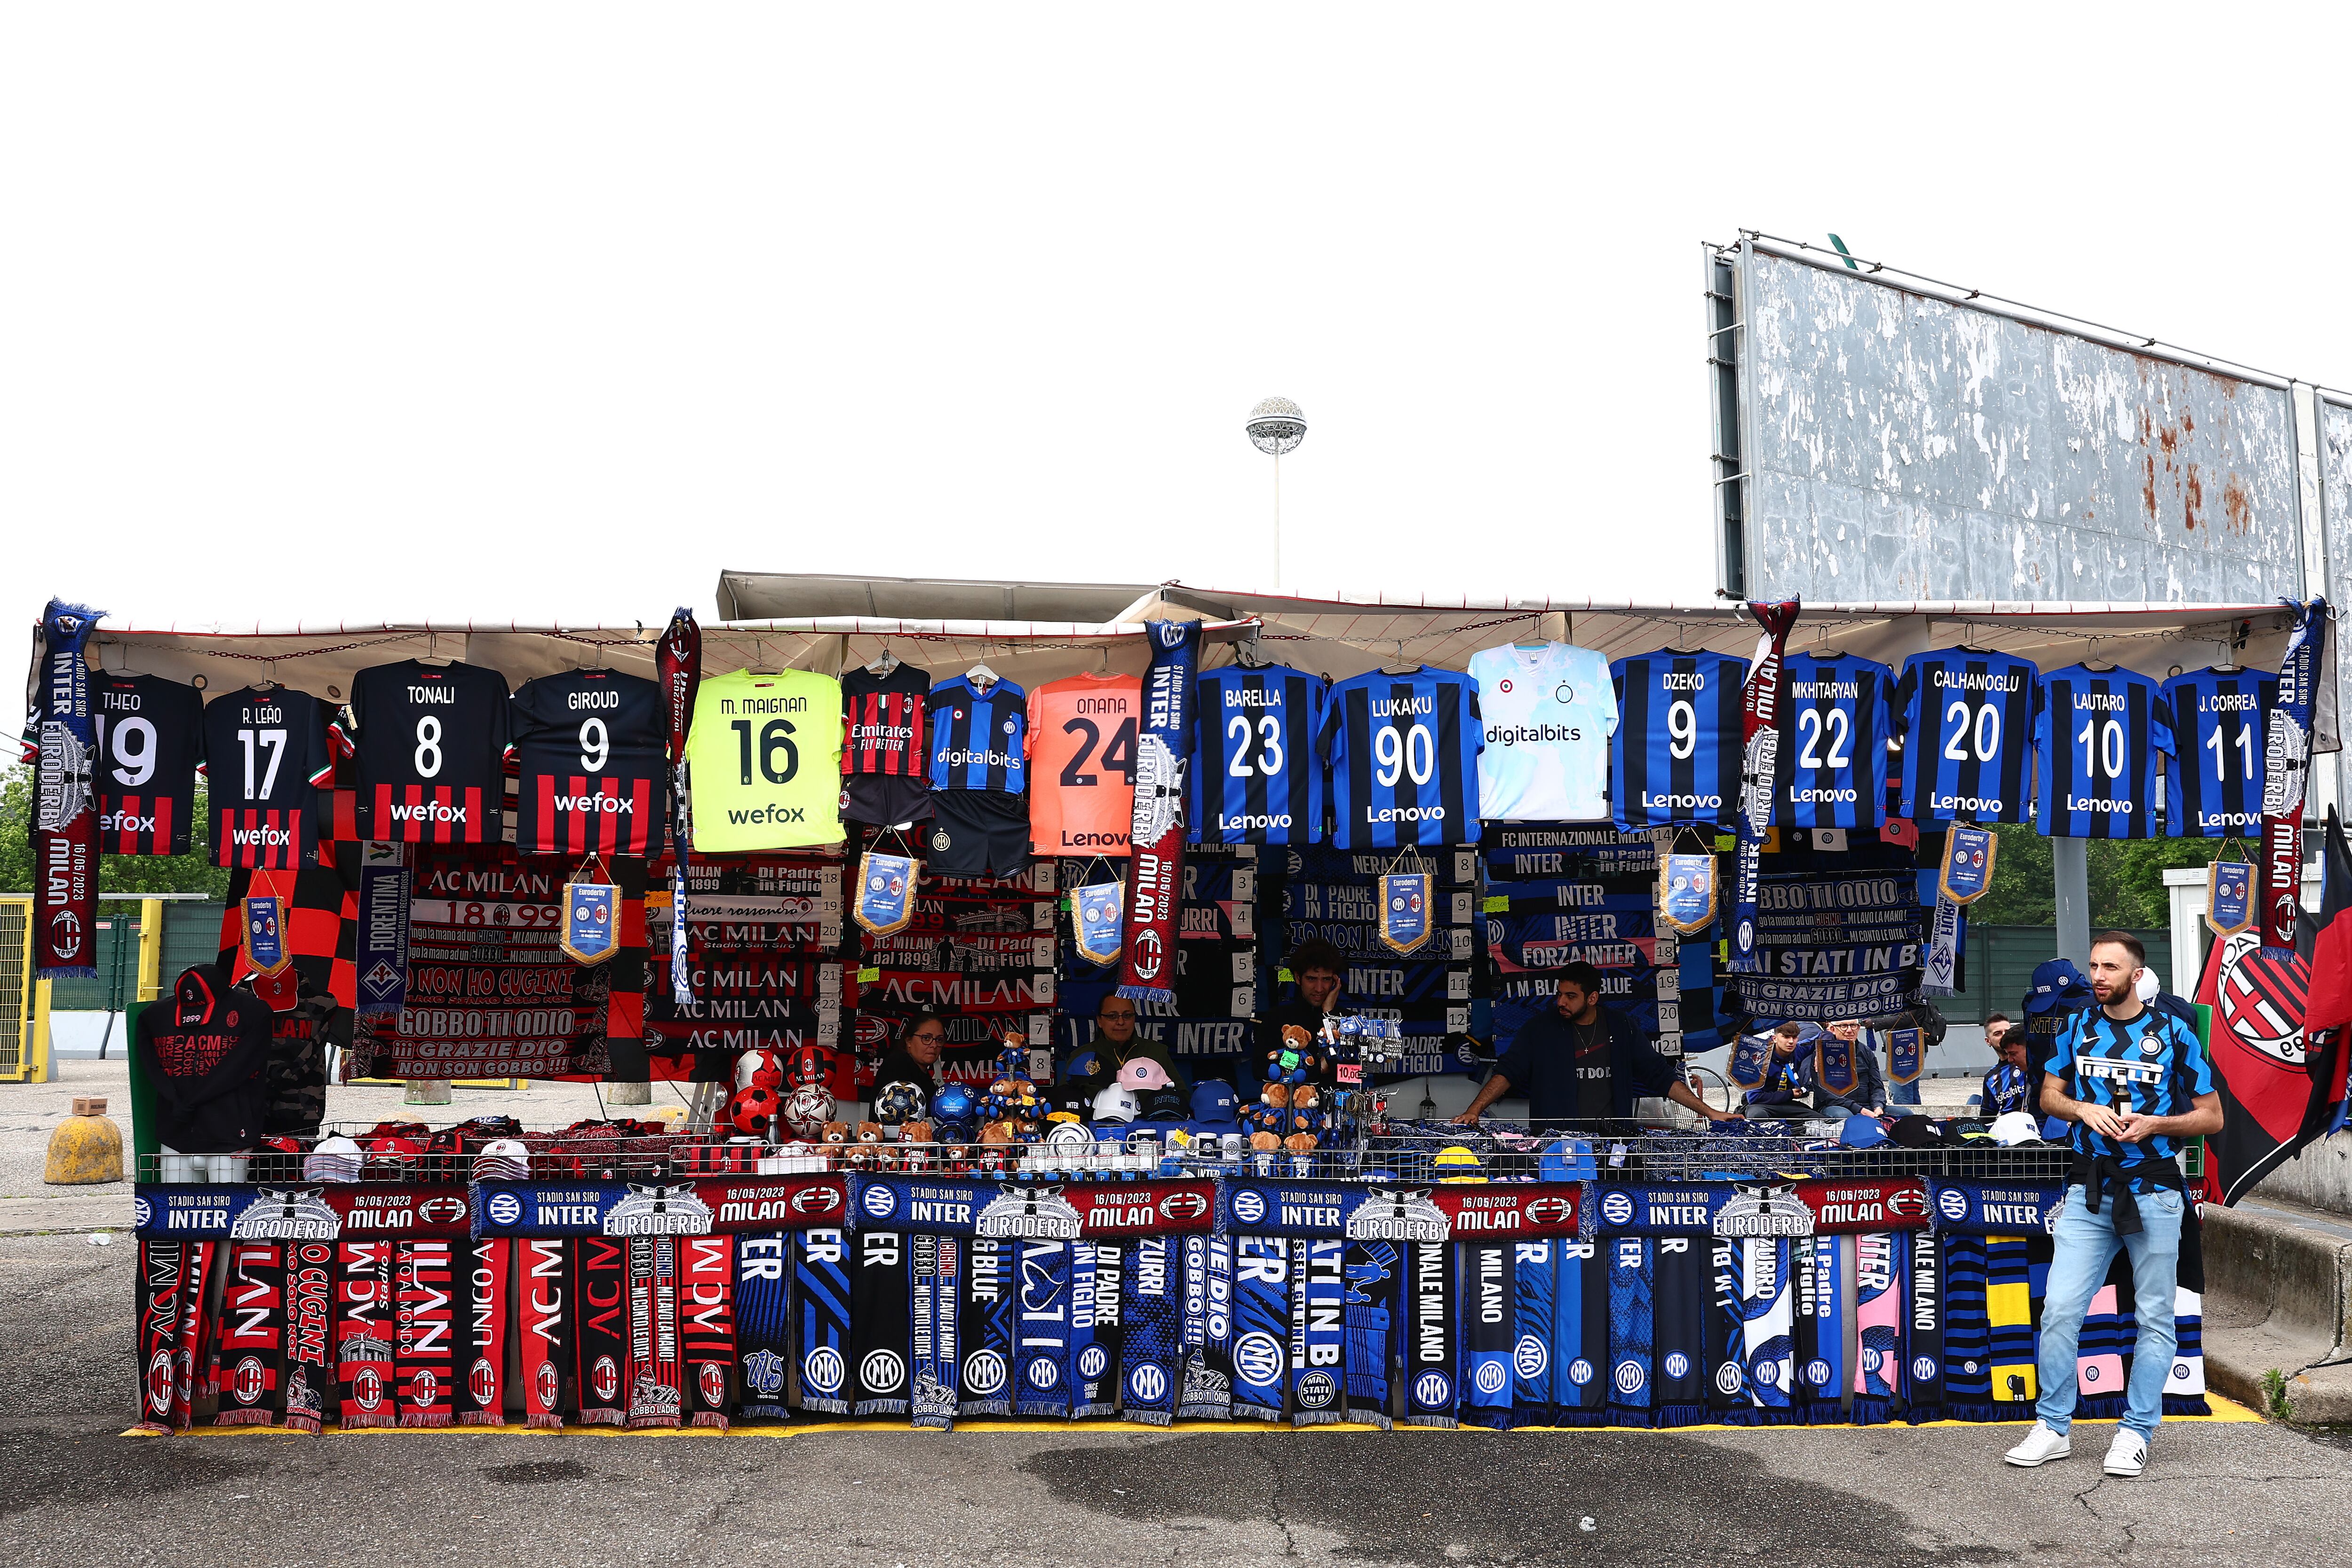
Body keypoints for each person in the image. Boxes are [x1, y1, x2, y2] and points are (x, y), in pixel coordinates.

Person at [2003, 932, 2220, 1481]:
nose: (2097, 975)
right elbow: (2047, 1095)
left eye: (2109, 967)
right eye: (2094, 965)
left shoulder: (2172, 1031)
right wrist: (2079, 1109)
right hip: (2088, 1190)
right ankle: (2052, 1426)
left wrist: (2157, 1123)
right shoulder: (2076, 1026)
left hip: (2153, 1190)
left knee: (2152, 1316)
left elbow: (2211, 1115)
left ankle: (2134, 1432)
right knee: (2058, 1310)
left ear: (2135, 974)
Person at [1454, 961, 1735, 1126]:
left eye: (1571, 996)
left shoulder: (1622, 1026)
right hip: (1554, 1146)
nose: (1561, 1002)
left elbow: (1660, 1076)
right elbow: (1507, 1073)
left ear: (1592, 998)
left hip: (1614, 1144)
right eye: (1560, 994)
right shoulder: (1540, 1028)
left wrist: (1710, 1112)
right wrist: (1474, 1110)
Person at [1067, 993, 1184, 1089]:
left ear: (1135, 1018)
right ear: (1099, 1021)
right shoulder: (1082, 1056)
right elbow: (1064, 1096)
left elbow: (1182, 1096)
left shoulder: (1157, 1053)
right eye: (1112, 1016)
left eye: (1127, 1016)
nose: (1121, 1022)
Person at [1811, 1018, 1888, 1121]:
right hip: (1834, 1106)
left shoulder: (1867, 1052)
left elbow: (1877, 1087)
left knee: (1905, 1113)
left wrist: (1878, 1106)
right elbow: (1825, 1094)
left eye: (1853, 1026)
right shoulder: (1821, 1054)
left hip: (1867, 1106)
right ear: (1833, 1029)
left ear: (1859, 1028)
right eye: (1844, 1026)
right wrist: (1860, 1110)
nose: (1849, 1030)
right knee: (1845, 1116)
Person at [872, 1010, 950, 1102]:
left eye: (939, 1040)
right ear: (909, 1041)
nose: (934, 1045)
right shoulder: (897, 1067)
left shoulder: (921, 1072)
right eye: (926, 1038)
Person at [1742, 1022, 1814, 1116]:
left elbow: (1818, 1040)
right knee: (1758, 1115)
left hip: (1786, 1105)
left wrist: (1830, 1032)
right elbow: (1754, 1098)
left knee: (1819, 1120)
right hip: (1761, 1106)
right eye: (1786, 1037)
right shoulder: (1760, 1059)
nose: (1791, 1041)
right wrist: (1790, 1094)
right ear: (1775, 1039)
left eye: (1795, 1037)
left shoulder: (1798, 1051)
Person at [1979, 1026, 2031, 1117]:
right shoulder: (1990, 1077)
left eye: (2007, 1031)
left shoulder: (2043, 1071)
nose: (2003, 1035)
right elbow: (1986, 1117)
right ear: (1988, 1041)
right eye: (1998, 1033)